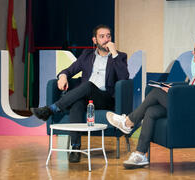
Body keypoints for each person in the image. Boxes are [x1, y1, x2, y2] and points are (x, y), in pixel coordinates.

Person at [106, 35, 195, 169]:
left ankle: (128, 122)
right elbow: (193, 90)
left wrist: (174, 92)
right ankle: (140, 154)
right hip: (191, 106)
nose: (192, 53)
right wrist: (174, 89)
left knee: (157, 93)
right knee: (151, 111)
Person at [31, 24, 129, 163]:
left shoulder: (119, 56)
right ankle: (75, 149)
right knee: (77, 103)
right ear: (94, 40)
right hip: (86, 97)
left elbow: (124, 78)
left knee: (88, 85)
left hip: (105, 98)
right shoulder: (87, 55)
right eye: (102, 36)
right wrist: (63, 76)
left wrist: (114, 54)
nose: (106, 39)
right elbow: (69, 70)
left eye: (108, 36)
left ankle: (53, 108)